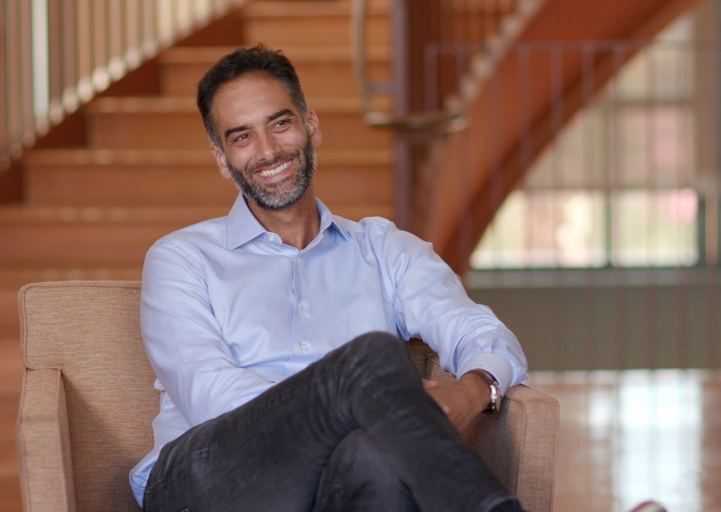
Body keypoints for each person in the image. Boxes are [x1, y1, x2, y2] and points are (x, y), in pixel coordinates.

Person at [129, 44, 528, 512]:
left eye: (280, 123)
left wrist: (475, 388)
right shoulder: (182, 259)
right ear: (222, 159)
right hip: (206, 478)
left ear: (311, 127)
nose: (268, 151)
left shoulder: (383, 250)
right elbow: (210, 396)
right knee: (371, 361)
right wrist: (352, 400)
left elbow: (481, 332)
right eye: (242, 138)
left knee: (374, 458)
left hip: (334, 476)